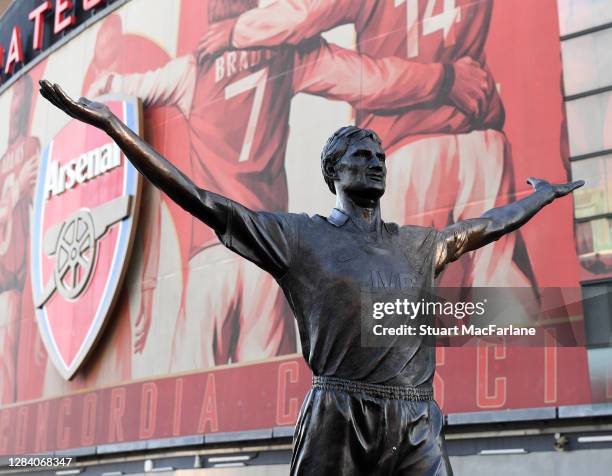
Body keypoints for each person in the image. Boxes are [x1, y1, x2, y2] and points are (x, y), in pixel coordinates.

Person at [38, 81, 583, 475]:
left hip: (417, 417)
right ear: (334, 173)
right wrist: (113, 127)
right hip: (339, 416)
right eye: (360, 155)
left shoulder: (418, 245)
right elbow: (203, 201)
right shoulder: (299, 238)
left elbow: (485, 226)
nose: (375, 162)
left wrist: (538, 196)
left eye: (379, 156)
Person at [86, 0, 478, 371]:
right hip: (265, 253)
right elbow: (370, 79)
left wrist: (102, 74)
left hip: (209, 250)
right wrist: (444, 78)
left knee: (184, 407)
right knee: (263, 378)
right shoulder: (288, 53)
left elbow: (120, 91)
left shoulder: (191, 69)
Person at [197, 0, 539, 292]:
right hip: (479, 136)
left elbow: (303, 15)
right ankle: (526, 369)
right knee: (501, 289)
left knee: (396, 300)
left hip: (405, 148)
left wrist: (234, 31)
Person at [0, 76, 40, 404]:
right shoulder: (4, 165)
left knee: (8, 361)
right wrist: (14, 192)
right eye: (13, 98)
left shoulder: (31, 148)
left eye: (21, 99)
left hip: (13, 283)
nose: (16, 107)